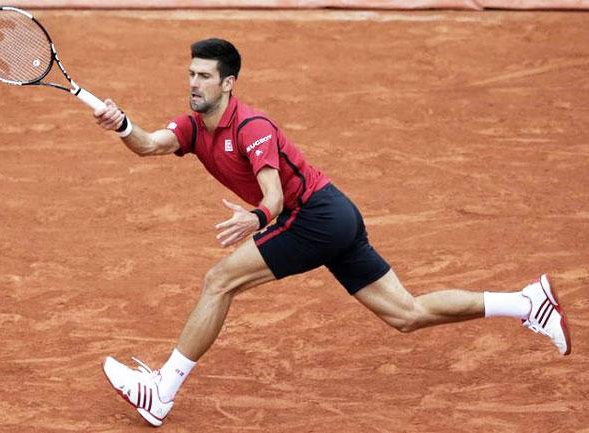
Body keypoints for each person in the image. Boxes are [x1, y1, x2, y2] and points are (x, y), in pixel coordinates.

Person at [94, 38, 571, 427]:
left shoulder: (251, 126)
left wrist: (255, 219)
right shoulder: (194, 126)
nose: (193, 83)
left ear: (229, 83)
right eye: (191, 74)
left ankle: (162, 392)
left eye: (204, 76)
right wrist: (123, 125)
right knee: (407, 314)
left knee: (220, 280)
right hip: (335, 217)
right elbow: (150, 145)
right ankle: (526, 303)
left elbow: (275, 199)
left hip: (317, 216)